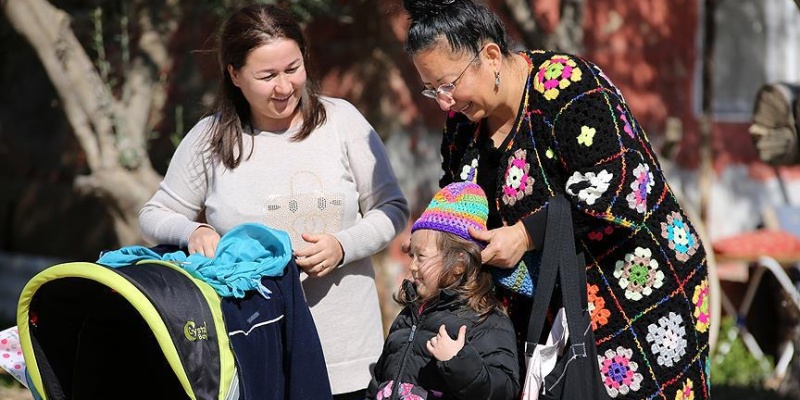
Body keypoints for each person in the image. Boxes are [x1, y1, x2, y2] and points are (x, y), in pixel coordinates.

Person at [400, 1, 711, 399]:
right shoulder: (463, 124)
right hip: (546, 307)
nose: (444, 101)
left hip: (638, 293)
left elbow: (620, 182)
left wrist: (525, 235)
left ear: (491, 56)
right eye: (431, 90)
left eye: (448, 84)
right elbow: (456, 199)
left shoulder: (569, 86)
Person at [138, 4, 409, 398]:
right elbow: (155, 213)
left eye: (292, 69)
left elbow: (392, 208)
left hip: (345, 357)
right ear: (234, 74)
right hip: (254, 352)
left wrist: (343, 246)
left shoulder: (342, 122)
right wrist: (191, 231)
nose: (284, 87)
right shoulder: (209, 138)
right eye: (266, 76)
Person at [367, 181, 520, 400]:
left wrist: (459, 361)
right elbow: (380, 379)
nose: (412, 266)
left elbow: (504, 388)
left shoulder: (486, 321)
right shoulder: (407, 317)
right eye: (412, 256)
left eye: (422, 256)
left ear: (458, 264)